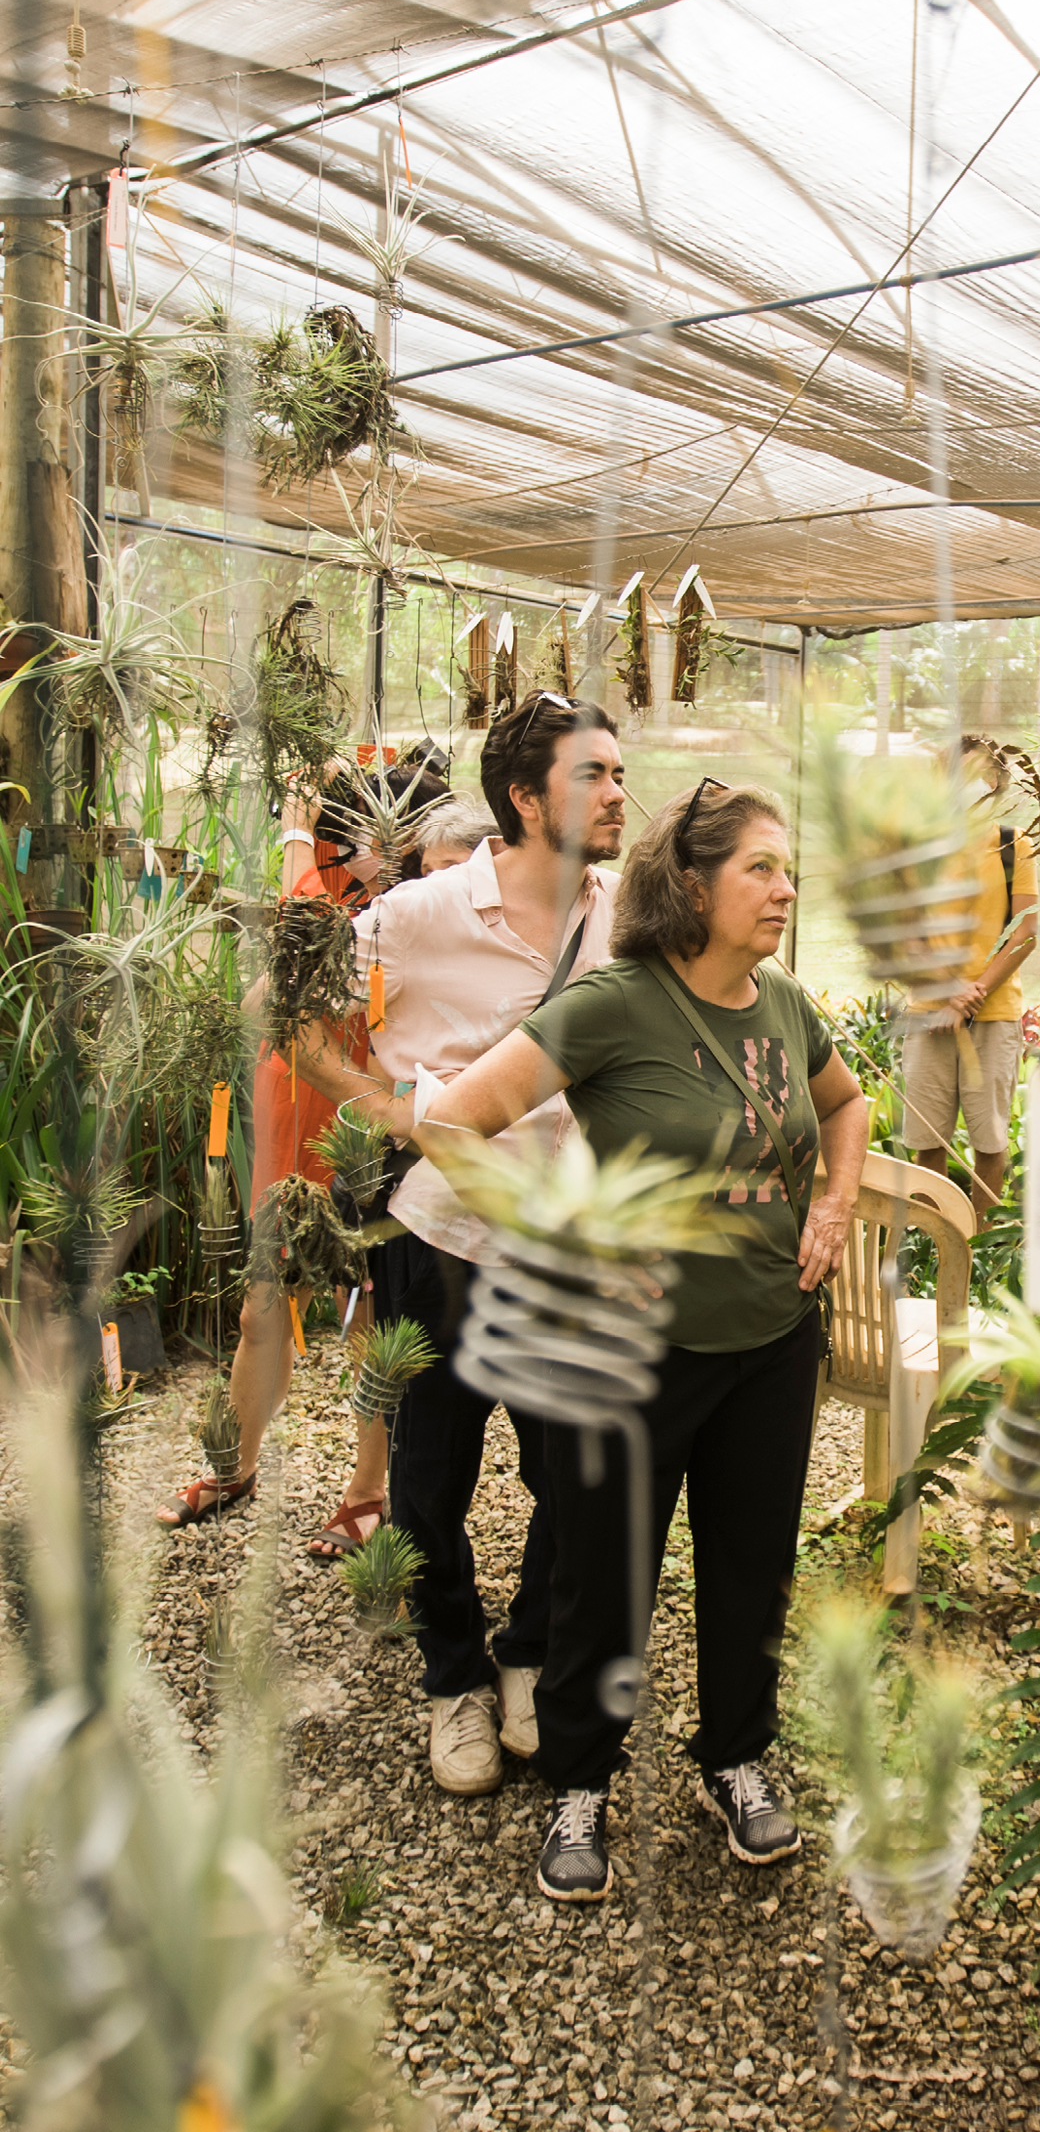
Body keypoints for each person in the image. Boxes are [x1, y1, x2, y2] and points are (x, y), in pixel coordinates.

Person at [420, 781, 872, 1903]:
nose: (785, 888)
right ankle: (579, 1781)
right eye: (761, 868)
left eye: (787, 868)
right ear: (692, 886)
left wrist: (832, 1203)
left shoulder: (783, 1004)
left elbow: (846, 1103)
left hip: (771, 1342)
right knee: (603, 1579)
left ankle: (736, 1759)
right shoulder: (613, 1005)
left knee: (753, 1567)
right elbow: (452, 1122)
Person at [283, 696, 626, 1797]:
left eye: (620, 773)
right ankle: (452, 1673)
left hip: (572, 1243)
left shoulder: (629, 913)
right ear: (525, 799)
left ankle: (526, 1652)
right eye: (594, 776)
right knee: (431, 1474)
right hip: (439, 1236)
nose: (618, 794)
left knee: (573, 1472)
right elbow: (295, 1014)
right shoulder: (420, 913)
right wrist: (387, 1109)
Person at [160, 752, 450, 1553]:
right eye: (339, 832)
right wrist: (303, 820)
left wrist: (296, 829)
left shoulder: (418, 909)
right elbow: (282, 972)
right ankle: (234, 1465)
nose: (345, 847)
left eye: (355, 834)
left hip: (364, 1130)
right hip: (292, 1111)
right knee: (262, 1305)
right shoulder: (339, 897)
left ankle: (368, 1489)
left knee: (367, 1318)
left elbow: (304, 929)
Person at [903, 740, 1036, 1215]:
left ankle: (982, 1244)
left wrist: (973, 992)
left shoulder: (1013, 844)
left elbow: (1026, 931)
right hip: (929, 1012)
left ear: (994, 782)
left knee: (989, 1141)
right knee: (928, 1142)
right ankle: (932, 1239)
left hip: (994, 1015)